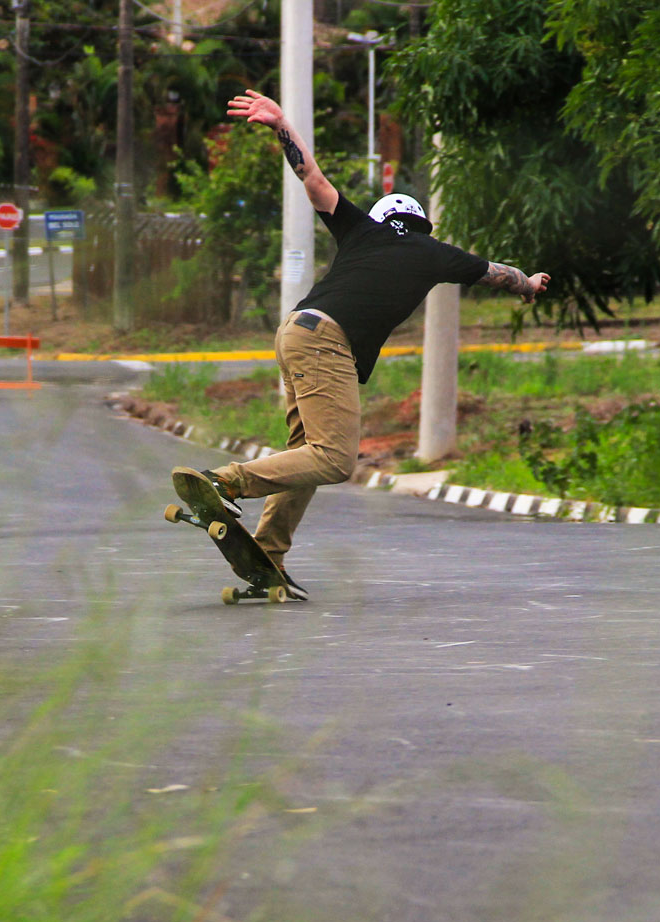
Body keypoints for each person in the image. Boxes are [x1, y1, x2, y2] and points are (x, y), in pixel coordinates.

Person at [172, 87, 549, 591]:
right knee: (334, 458)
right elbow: (497, 273)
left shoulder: (360, 231)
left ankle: (268, 552)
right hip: (327, 341)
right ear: (420, 225)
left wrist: (281, 124)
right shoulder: (433, 250)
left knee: (305, 452)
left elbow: (311, 176)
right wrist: (529, 283)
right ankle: (225, 481)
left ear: (382, 221)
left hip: (294, 330)